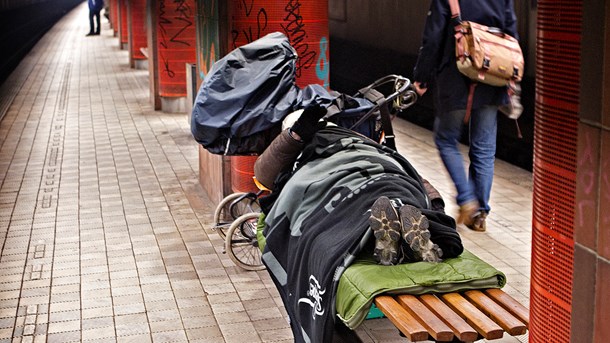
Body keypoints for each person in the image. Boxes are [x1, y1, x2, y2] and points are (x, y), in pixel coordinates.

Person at [254, 104, 463, 342]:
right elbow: (408, 169)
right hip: (392, 179)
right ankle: (408, 238)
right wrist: (434, 205)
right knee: (395, 203)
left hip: (341, 185)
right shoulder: (360, 138)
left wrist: (293, 138)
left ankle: (385, 241)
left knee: (345, 223)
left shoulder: (302, 148)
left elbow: (263, 174)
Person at [412, 0, 519, 232]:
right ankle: (480, 212)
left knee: (445, 139)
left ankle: (466, 198)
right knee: (484, 148)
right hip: (492, 79)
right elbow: (512, 35)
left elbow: (432, 39)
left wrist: (422, 77)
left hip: (455, 80)